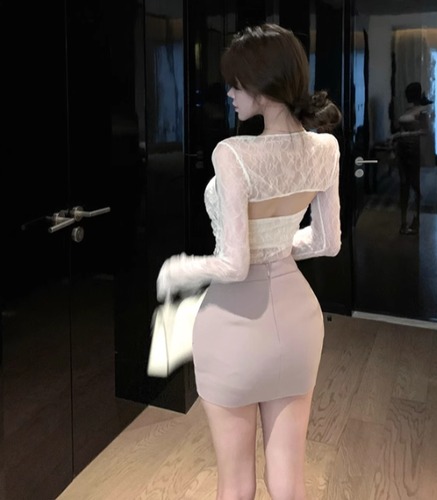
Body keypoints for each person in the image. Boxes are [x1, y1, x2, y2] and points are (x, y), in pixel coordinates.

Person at [156, 23, 342, 500]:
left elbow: (234, 264)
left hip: (235, 326)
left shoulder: (234, 153)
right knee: (289, 483)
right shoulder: (326, 148)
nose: (230, 93)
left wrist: (179, 269)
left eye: (237, 83)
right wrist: (278, 247)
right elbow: (328, 242)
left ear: (263, 85)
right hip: (298, 322)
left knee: (236, 485)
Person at [391, 81, 432, 235]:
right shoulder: (410, 109)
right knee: (403, 184)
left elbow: (425, 131)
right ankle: (403, 222)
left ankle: (416, 217)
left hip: (412, 149)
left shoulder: (422, 111)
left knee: (414, 184)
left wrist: (404, 134)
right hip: (402, 149)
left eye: (408, 93)